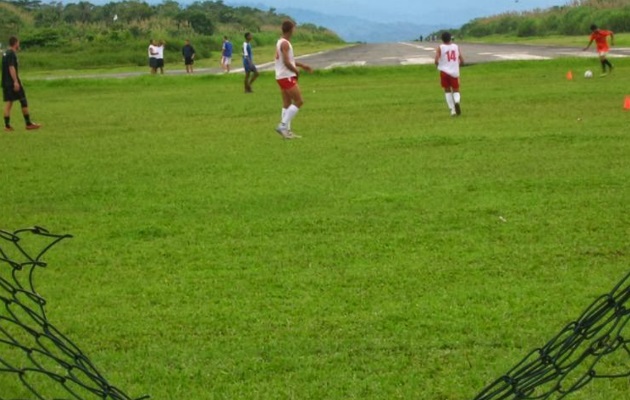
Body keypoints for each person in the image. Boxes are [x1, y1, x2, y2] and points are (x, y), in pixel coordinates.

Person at [274, 20, 312, 139]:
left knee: (286, 104)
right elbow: (286, 62)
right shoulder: (285, 43)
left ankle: (287, 132)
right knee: (299, 101)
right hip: (286, 76)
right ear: (291, 29)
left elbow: (289, 60)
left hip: (281, 76)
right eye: (294, 28)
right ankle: (283, 125)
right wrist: (296, 71)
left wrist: (302, 65)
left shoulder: (280, 42)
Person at [2, 36, 41, 132]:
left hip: (5, 82)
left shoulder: (5, 53)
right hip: (12, 82)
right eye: (18, 43)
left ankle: (7, 126)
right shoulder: (12, 54)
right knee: (23, 100)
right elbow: (11, 68)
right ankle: (28, 124)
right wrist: (16, 81)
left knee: (9, 103)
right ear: (15, 43)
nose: (19, 45)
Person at [434, 31, 464, 117]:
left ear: (442, 39)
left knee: (447, 91)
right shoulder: (455, 46)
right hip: (454, 72)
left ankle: (452, 110)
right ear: (450, 38)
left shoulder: (441, 47)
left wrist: (437, 66)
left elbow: (436, 60)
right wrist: (460, 64)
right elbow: (461, 60)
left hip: (444, 72)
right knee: (456, 89)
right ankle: (457, 101)